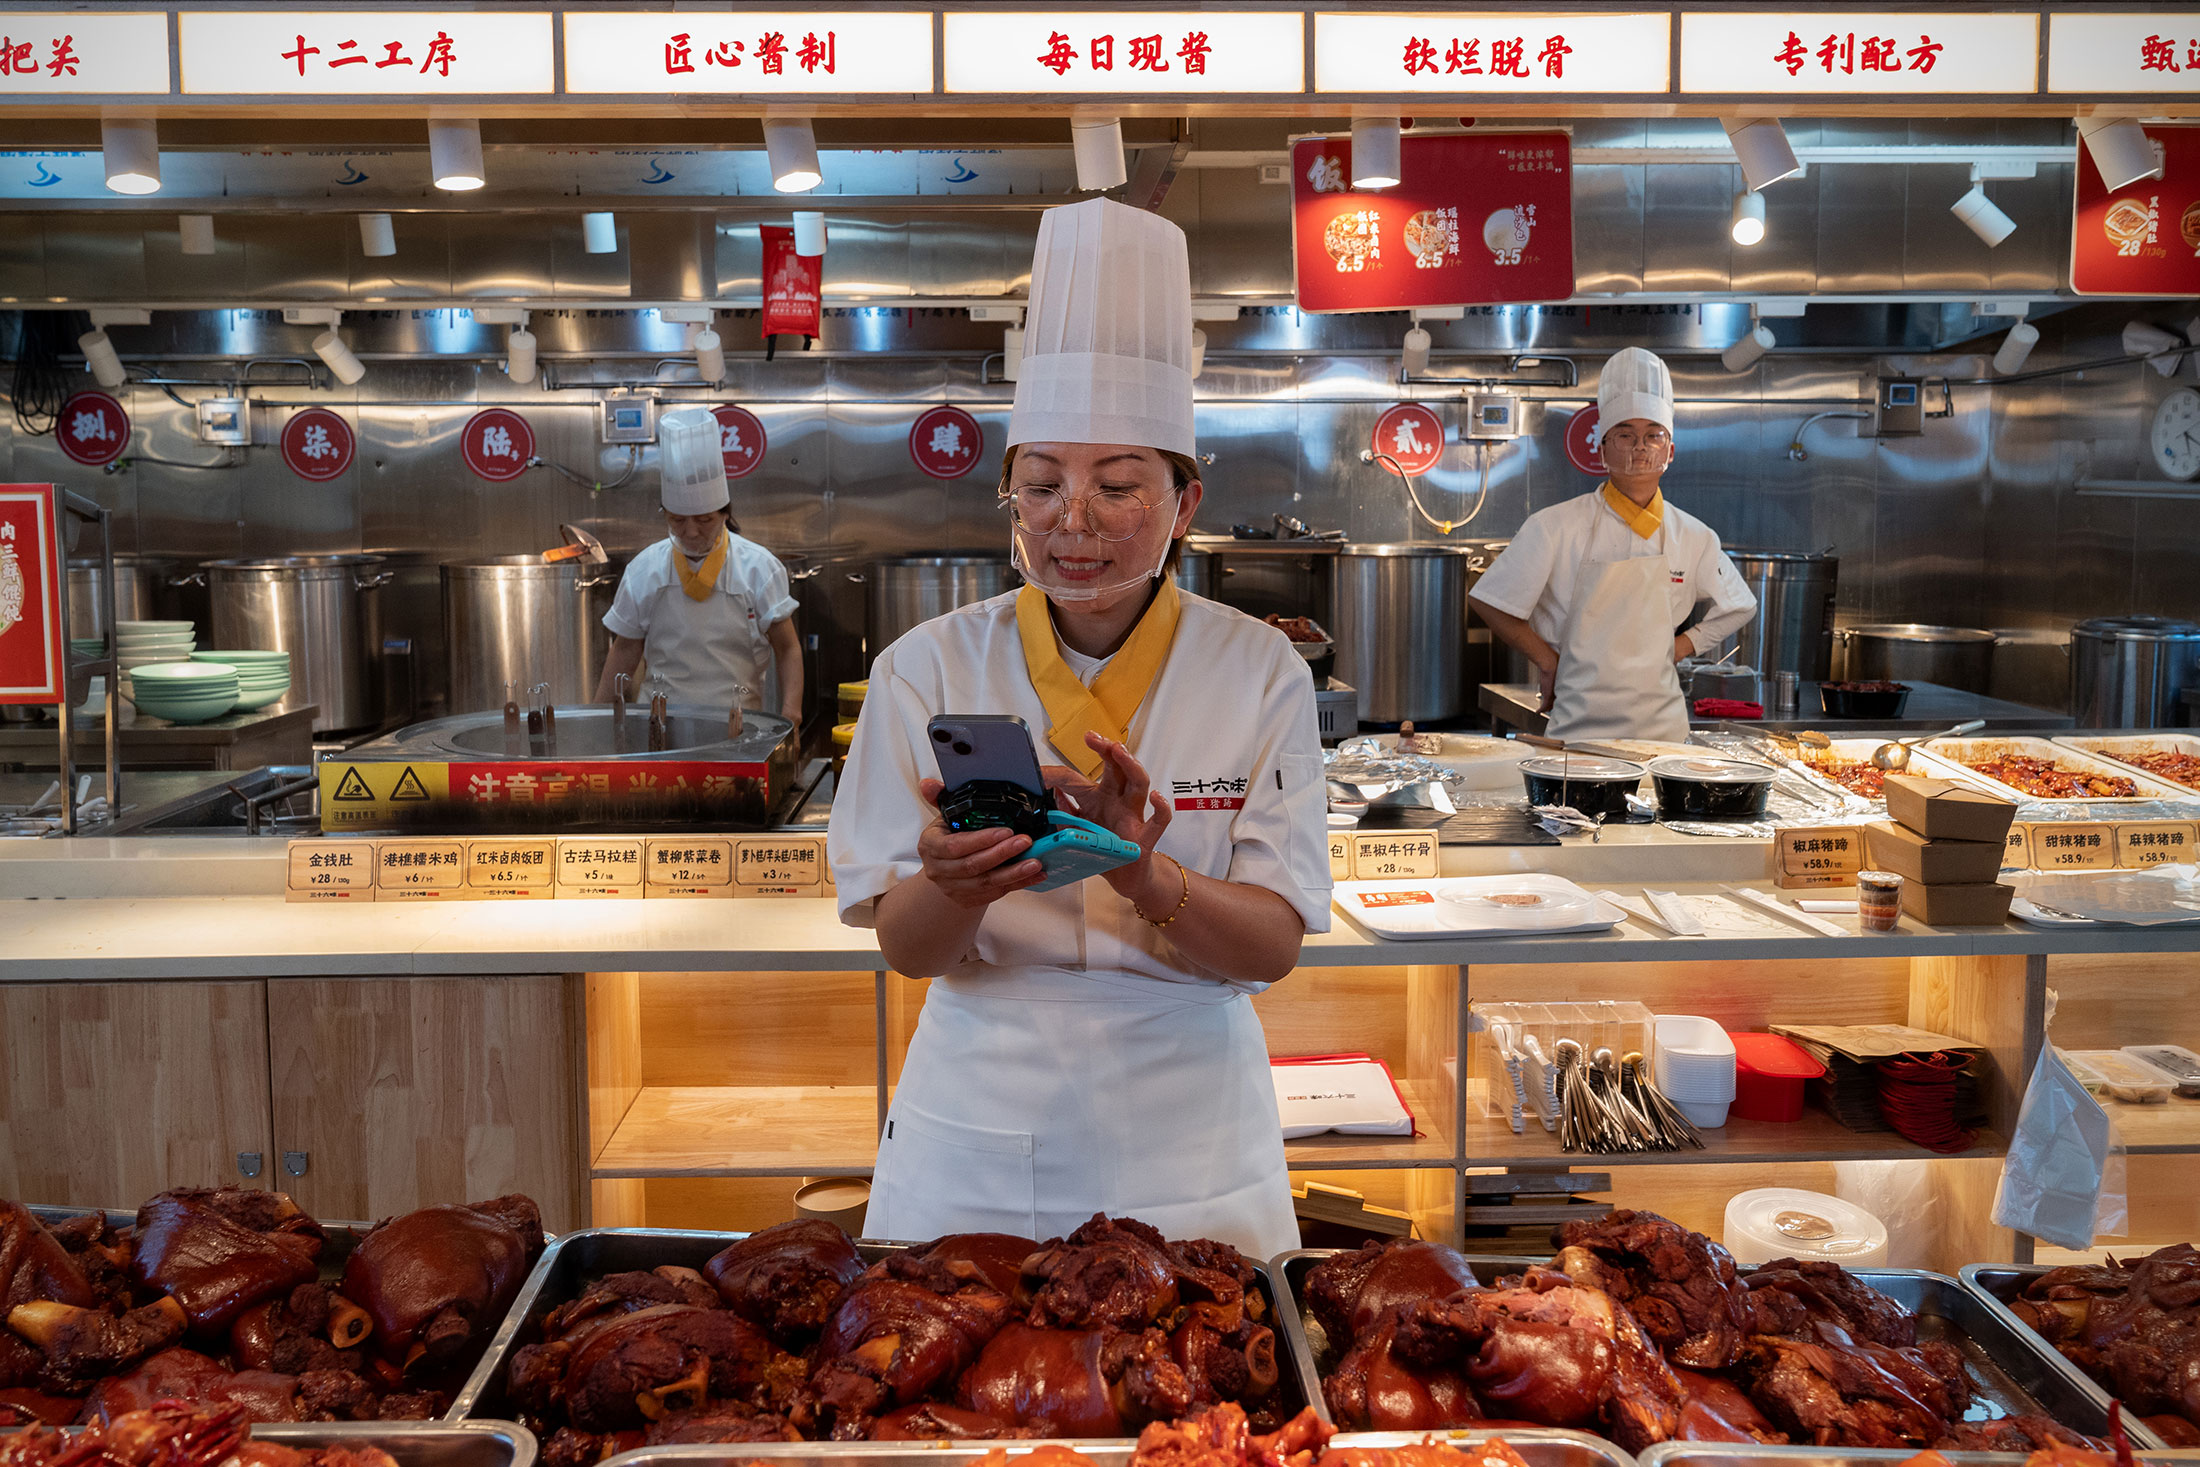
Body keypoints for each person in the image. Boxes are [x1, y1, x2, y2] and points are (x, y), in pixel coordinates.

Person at [825, 198, 1330, 1258]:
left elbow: (1274, 945)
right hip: (980, 1101)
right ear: (1009, 499)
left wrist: (1145, 877)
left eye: (1117, 488)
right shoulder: (926, 668)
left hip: (1193, 1115)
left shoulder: (1257, 668)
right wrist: (954, 883)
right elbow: (909, 954)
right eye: (1041, 487)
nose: (1074, 524)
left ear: (1183, 504)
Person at [1468, 347, 1757, 744]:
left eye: (1653, 436)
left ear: (1669, 453)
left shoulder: (1694, 535)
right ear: (1602, 451)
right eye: (1625, 435)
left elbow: (1740, 605)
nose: (1640, 448)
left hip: (1663, 736)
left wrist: (1680, 647)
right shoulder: (1556, 526)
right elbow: (1490, 600)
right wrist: (1548, 661)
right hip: (1577, 731)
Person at [594, 406, 802, 735]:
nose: (691, 532)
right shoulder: (645, 570)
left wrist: (792, 711)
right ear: (664, 514)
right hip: (660, 729)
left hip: (740, 728)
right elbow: (625, 649)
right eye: (678, 520)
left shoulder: (759, 568)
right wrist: (599, 723)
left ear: (724, 514)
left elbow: (787, 647)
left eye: (704, 520)